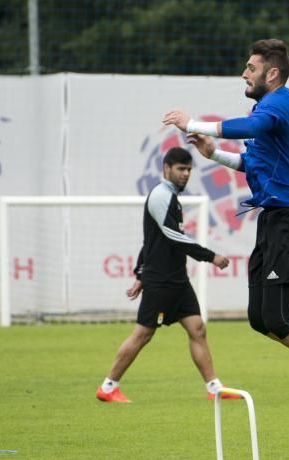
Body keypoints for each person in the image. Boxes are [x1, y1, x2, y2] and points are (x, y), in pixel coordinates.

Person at [162, 39, 289, 436]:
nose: (244, 73)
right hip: (275, 221)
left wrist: (193, 124)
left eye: (250, 68)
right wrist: (214, 153)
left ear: (272, 73)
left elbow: (252, 128)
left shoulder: (282, 103)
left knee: (276, 316)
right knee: (260, 319)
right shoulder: (266, 110)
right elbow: (251, 161)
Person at [97, 147, 235, 403]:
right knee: (143, 335)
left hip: (177, 280)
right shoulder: (161, 195)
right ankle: (108, 386)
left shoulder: (172, 197)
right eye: (180, 169)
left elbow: (151, 241)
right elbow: (172, 236)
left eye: (189, 170)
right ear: (166, 169)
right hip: (161, 281)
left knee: (197, 329)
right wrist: (210, 256)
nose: (185, 175)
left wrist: (139, 273)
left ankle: (214, 388)